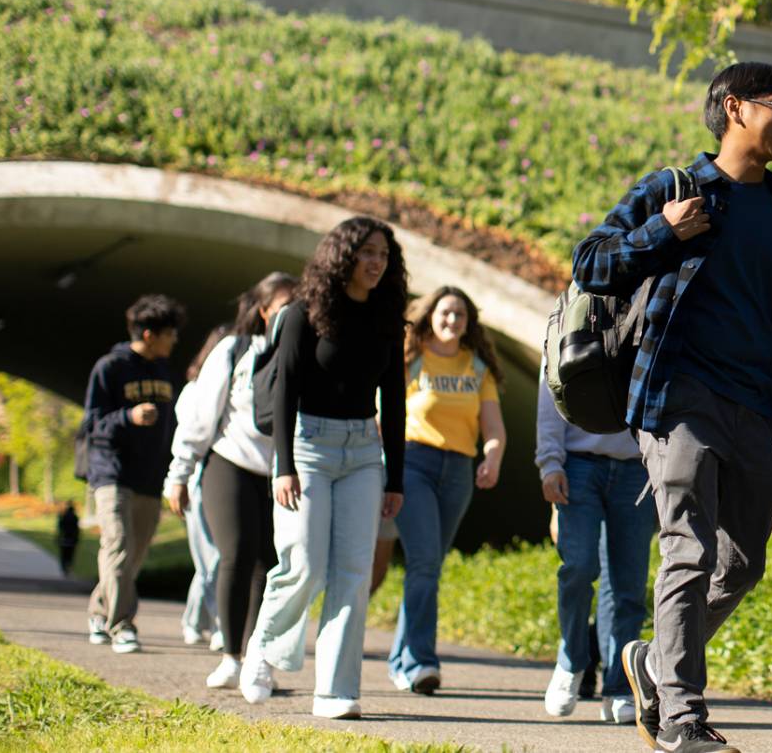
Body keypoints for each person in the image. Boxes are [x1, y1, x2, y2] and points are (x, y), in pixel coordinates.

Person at [573, 61, 772, 753]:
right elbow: (591, 263)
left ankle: (652, 664)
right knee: (688, 552)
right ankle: (682, 719)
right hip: (677, 396)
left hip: (754, 408)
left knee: (744, 561)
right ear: (733, 107)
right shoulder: (675, 189)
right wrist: (662, 232)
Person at [239, 217, 408, 720]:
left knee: (353, 574)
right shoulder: (302, 315)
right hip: (307, 448)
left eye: (383, 254)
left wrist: (394, 476)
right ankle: (264, 647)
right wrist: (283, 467)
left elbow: (394, 401)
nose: (376, 263)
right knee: (305, 563)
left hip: (362, 453)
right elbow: (284, 390)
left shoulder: (387, 318)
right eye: (366, 253)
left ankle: (335, 691)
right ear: (343, 257)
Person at [164, 272, 297, 692]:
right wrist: (179, 474)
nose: (293, 316)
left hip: (282, 473)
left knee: (271, 566)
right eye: (283, 307)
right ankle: (230, 657)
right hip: (230, 462)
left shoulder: (304, 355)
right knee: (237, 554)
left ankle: (257, 656)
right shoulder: (234, 350)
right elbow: (202, 416)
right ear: (263, 311)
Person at [387, 285, 508, 696]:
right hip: (413, 463)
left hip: (457, 470)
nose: (452, 320)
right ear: (430, 316)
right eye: (445, 313)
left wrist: (491, 458)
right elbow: (382, 413)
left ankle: (402, 660)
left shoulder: (477, 369)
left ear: (468, 322)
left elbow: (493, 428)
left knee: (429, 567)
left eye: (460, 314)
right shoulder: (410, 359)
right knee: (423, 562)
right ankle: (421, 663)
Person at [535, 365, 653, 724]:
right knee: (579, 567)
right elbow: (550, 393)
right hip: (579, 464)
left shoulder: (653, 314)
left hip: (637, 468)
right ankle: (571, 659)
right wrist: (550, 463)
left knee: (628, 587)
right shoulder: (575, 315)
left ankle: (618, 687)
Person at [83, 293, 185, 654]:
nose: (174, 340)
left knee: (133, 555)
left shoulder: (163, 371)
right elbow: (91, 424)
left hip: (149, 475)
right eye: (169, 333)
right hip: (111, 473)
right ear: (148, 334)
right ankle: (122, 625)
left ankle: (99, 611)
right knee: (119, 545)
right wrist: (128, 416)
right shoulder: (110, 368)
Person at [176, 325, 229, 652]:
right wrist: (178, 478)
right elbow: (189, 435)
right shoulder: (194, 392)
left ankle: (196, 621)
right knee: (212, 558)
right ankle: (220, 624)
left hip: (224, 479)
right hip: (199, 480)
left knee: (217, 557)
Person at [56, 500, 80, 577]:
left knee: (64, 555)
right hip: (72, 540)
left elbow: (60, 527)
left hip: (65, 538)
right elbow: (77, 530)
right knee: (70, 555)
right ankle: (68, 568)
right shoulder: (75, 517)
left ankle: (64, 569)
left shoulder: (63, 516)